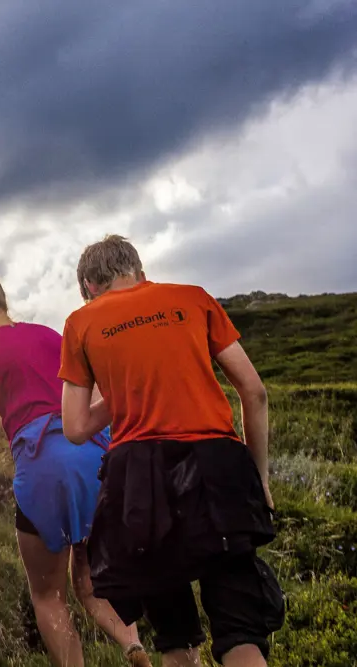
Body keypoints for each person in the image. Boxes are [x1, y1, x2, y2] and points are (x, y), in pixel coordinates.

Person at [59, 235, 284, 667]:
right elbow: (254, 392)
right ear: (141, 273)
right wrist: (259, 481)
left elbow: (75, 427)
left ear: (88, 284)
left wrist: (124, 390)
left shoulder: (81, 322)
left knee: (173, 637)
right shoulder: (193, 299)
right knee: (240, 629)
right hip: (218, 469)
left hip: (140, 484)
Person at [0, 268, 151, 667]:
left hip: (44, 469)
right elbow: (94, 392)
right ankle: (134, 647)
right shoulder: (48, 334)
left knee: (48, 596)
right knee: (90, 582)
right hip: (96, 457)